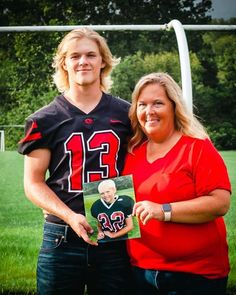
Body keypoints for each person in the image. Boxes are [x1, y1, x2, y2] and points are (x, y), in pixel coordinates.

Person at [18, 28, 132, 295]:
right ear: (64, 63)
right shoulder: (44, 119)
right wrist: (69, 215)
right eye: (75, 56)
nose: (84, 62)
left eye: (91, 55)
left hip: (113, 232)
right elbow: (33, 183)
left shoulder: (127, 113)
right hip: (61, 237)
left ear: (103, 60)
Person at [122, 72, 231, 295]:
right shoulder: (132, 152)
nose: (149, 111)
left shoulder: (197, 147)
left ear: (174, 106)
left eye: (158, 103)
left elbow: (220, 203)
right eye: (142, 104)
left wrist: (164, 211)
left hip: (195, 276)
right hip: (141, 272)